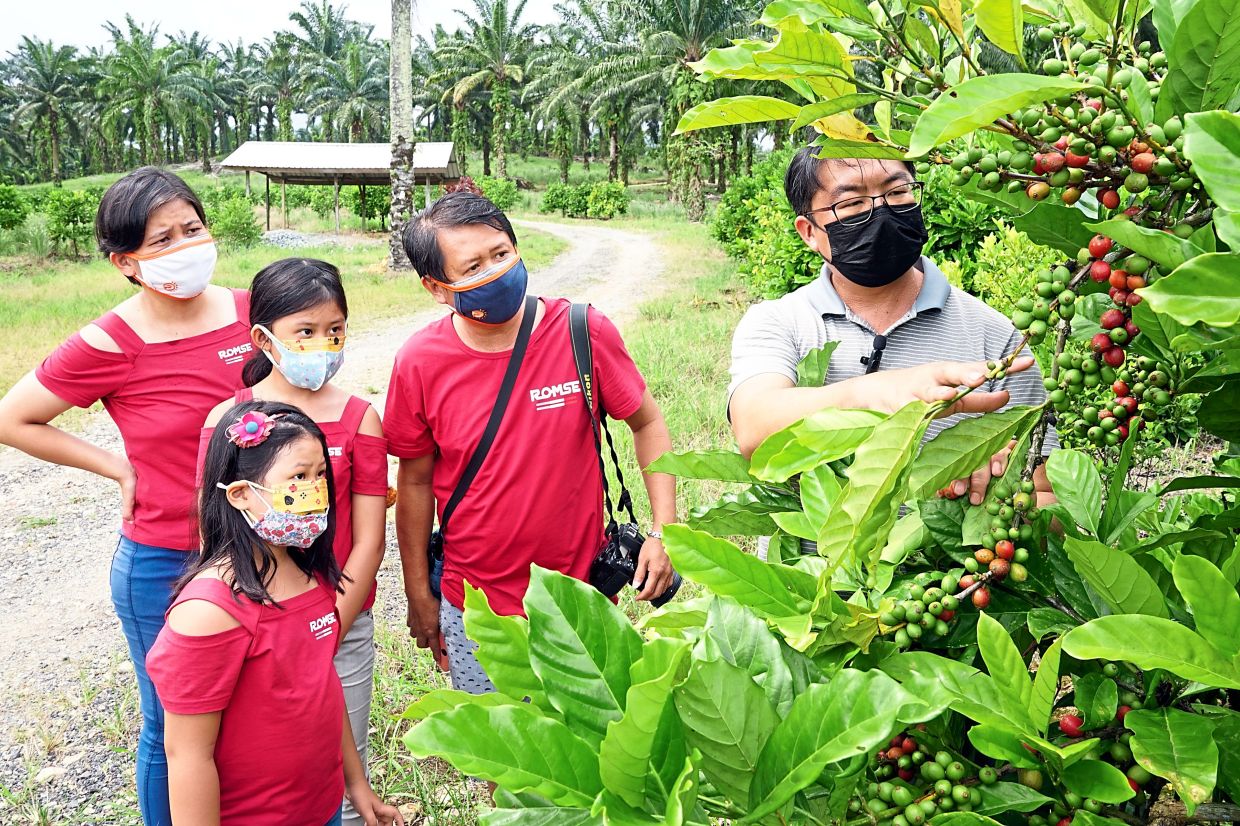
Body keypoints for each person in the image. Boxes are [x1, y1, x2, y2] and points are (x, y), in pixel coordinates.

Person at [0, 168, 251, 824]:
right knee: (171, 727)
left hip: (260, 554)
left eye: (191, 229)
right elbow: (12, 417)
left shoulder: (254, 311)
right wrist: (116, 468)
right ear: (125, 263)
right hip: (163, 563)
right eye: (160, 240)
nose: (184, 246)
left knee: (248, 717)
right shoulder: (111, 341)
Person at [384, 191, 676, 693]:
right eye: (473, 265)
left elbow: (647, 423)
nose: (496, 272)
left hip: (581, 600)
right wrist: (418, 593)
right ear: (437, 287)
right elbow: (414, 481)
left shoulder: (582, 331)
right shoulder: (419, 362)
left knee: (595, 749)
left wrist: (664, 531)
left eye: (501, 254)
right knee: (513, 759)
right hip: (476, 609)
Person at [728, 150, 1056, 508]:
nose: (881, 211)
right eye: (851, 202)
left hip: (953, 562)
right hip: (807, 565)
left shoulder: (995, 337)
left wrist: (1002, 488)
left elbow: (1049, 498)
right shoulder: (780, 321)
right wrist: (883, 393)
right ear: (809, 232)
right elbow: (753, 427)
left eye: (897, 193)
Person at [148, 401, 401, 826]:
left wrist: (356, 785)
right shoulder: (208, 613)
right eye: (299, 477)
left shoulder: (310, 575)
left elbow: (322, 685)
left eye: (321, 474)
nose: (317, 489)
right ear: (241, 493)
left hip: (319, 811)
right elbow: (188, 756)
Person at [200, 258, 387, 826]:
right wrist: (278, 627)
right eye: (305, 331)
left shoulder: (361, 419)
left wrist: (326, 623)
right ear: (264, 338)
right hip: (252, 633)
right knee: (267, 769)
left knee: (344, 767)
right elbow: (216, 532)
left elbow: (369, 541)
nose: (323, 344)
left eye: (335, 331)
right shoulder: (227, 418)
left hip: (341, 624)